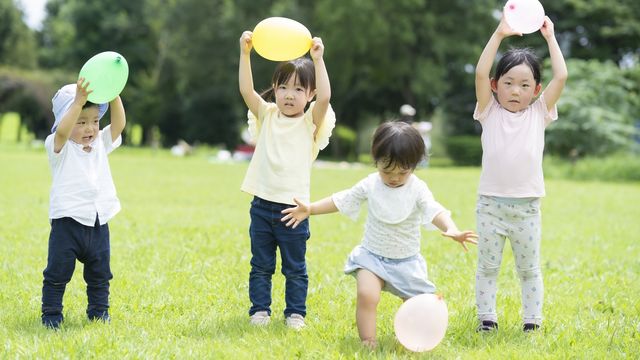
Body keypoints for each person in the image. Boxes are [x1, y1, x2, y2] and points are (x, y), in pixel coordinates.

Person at [281, 121, 478, 348]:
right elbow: (342, 199)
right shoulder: (371, 184)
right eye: (387, 170)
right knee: (367, 294)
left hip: (406, 262)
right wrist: (311, 209)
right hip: (372, 257)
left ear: (414, 166)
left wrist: (450, 228)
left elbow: (435, 210)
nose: (394, 177)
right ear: (376, 162)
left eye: (402, 172)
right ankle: (368, 340)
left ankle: (410, 339)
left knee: (417, 304)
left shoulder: (417, 188)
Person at [473, 14, 567, 332]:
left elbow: (562, 77)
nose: (516, 91)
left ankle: (532, 322)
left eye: (525, 85)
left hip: (527, 209)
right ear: (495, 86)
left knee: (529, 270)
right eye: (509, 83)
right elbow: (480, 71)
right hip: (490, 207)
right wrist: (499, 34)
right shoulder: (488, 110)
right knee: (487, 267)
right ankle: (487, 319)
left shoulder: (539, 113)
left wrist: (550, 37)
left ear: (536, 89)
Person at [238, 30, 335, 330]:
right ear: (274, 90)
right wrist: (245, 54)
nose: (289, 95)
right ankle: (260, 311)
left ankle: (295, 313)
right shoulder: (267, 115)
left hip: (294, 210)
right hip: (262, 205)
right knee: (261, 265)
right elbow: (246, 91)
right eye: (282, 87)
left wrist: (318, 60)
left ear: (310, 95)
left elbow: (327, 95)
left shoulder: (310, 124)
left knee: (295, 268)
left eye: (297, 89)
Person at [41, 79, 126, 329]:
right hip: (67, 222)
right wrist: (77, 102)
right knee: (57, 274)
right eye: (81, 121)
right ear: (66, 121)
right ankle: (52, 315)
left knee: (100, 275)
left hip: (99, 221)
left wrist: (114, 95)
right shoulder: (58, 146)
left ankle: (99, 313)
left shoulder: (100, 142)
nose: (90, 128)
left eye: (95, 121)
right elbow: (62, 132)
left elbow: (119, 125)